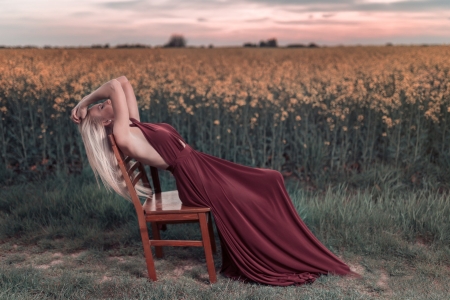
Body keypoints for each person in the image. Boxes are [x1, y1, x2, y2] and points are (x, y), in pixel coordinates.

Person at [71, 76, 357, 286]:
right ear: (106, 122)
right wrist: (84, 102)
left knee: (270, 179)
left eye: (99, 103)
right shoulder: (123, 135)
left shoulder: (132, 124)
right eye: (100, 108)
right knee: (261, 191)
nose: (104, 102)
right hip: (197, 181)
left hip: (203, 166)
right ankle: (281, 252)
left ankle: (292, 244)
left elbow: (122, 82)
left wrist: (88, 105)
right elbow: (111, 86)